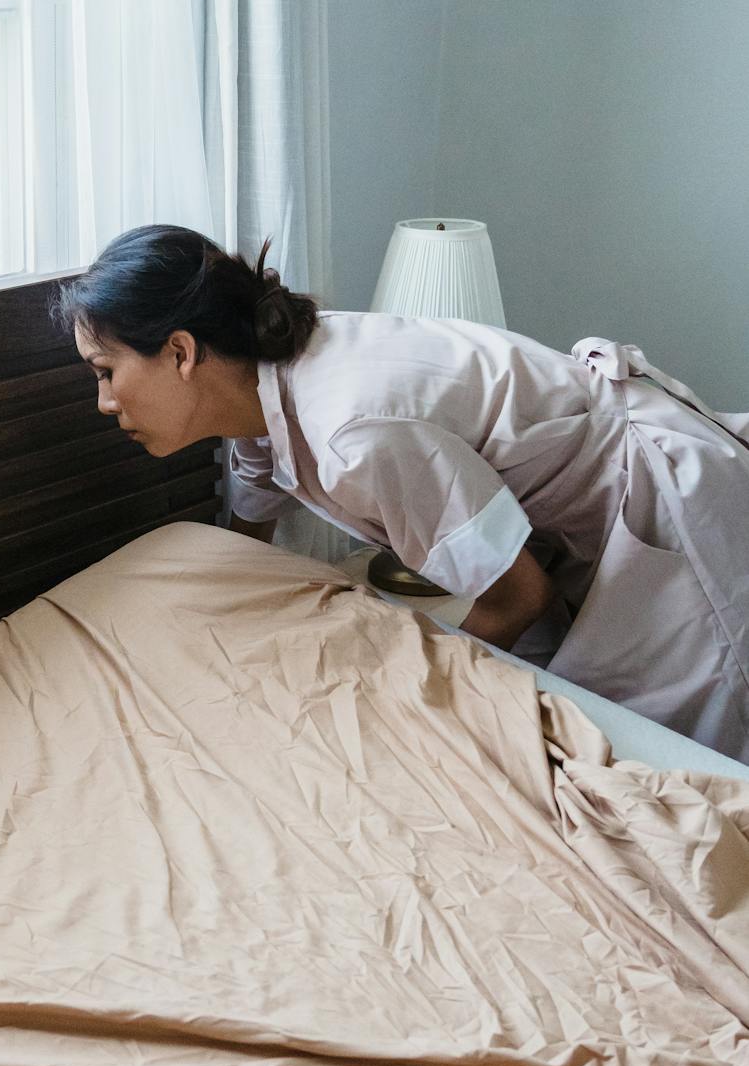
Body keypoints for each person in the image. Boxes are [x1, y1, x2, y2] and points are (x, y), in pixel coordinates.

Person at [56, 223, 749, 762]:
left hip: (670, 503)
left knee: (671, 752)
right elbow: (252, 514)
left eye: (105, 371)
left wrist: (416, 687)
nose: (103, 401)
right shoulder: (264, 390)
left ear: (179, 353)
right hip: (586, 521)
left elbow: (516, 596)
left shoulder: (351, 431)